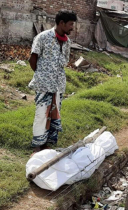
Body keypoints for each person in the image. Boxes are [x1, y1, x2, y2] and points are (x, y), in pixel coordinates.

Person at [28, 10, 77, 154]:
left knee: (54, 113)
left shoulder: (67, 42)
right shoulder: (42, 37)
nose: (72, 28)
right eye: (70, 24)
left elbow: (64, 62)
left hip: (58, 85)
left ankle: (47, 142)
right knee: (41, 113)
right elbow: (33, 59)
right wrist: (42, 75)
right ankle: (38, 144)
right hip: (43, 84)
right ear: (61, 23)